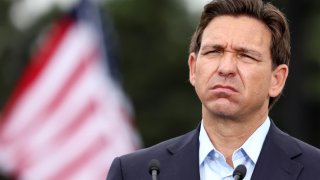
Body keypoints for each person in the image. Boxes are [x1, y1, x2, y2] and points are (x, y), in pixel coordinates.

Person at [107, 0, 320, 179]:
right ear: (193, 68)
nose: (225, 68)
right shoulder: (135, 173)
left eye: (246, 55)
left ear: (277, 79)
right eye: (214, 51)